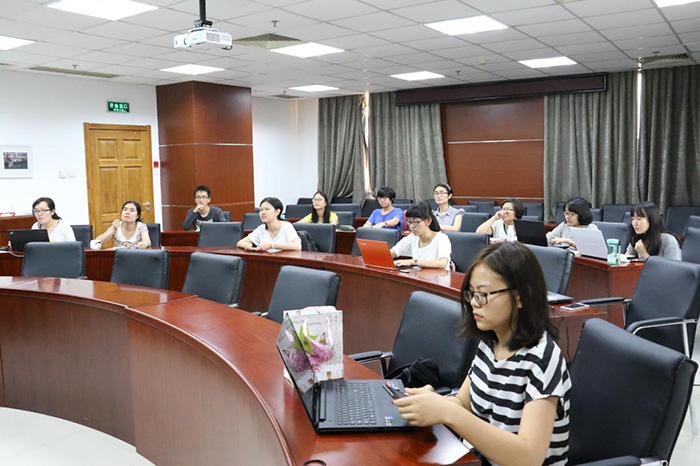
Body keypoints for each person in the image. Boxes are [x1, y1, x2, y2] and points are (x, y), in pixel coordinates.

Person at [393, 242, 571, 466]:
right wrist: (433, 403)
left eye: (484, 294)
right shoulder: (491, 340)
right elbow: (463, 403)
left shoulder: (542, 359)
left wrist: (449, 412)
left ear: (521, 296)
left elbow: (529, 457)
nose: (474, 304)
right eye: (472, 294)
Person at [390, 202, 452, 270]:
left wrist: (412, 262)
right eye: (409, 222)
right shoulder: (412, 237)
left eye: (416, 222)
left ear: (428, 221)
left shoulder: (442, 238)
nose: (412, 226)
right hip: (419, 275)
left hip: (439, 276)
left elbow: (442, 263)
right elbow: (393, 252)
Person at [237, 197, 301, 252]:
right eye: (261, 210)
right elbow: (239, 243)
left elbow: (297, 246)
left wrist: (271, 245)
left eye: (267, 209)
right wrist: (246, 245)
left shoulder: (287, 226)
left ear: (277, 212)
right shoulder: (261, 229)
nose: (263, 213)